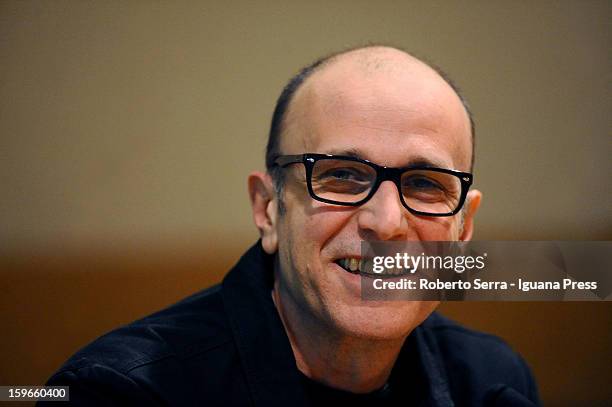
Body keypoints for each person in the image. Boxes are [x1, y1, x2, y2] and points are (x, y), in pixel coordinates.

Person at [41, 45, 540, 406]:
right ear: (267, 209)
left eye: (426, 184)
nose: (387, 223)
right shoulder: (120, 393)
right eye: (342, 175)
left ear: (463, 227)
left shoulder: (493, 380)